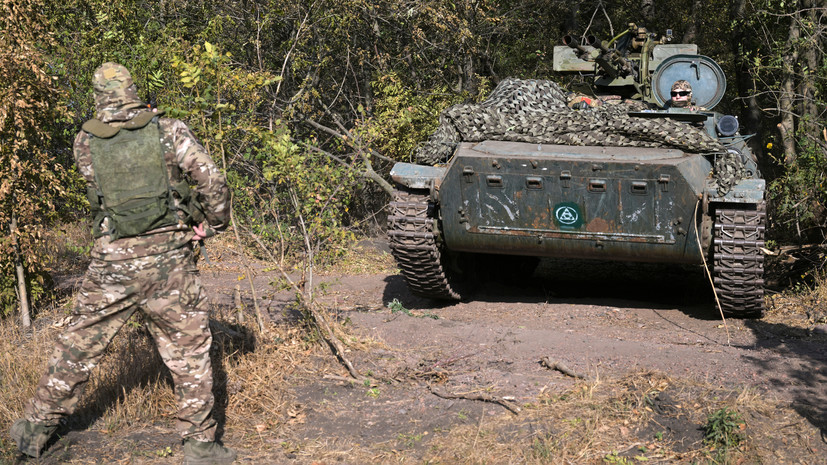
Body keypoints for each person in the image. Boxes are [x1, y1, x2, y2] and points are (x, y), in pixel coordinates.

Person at [9, 62, 235, 464]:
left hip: (112, 264)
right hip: (169, 261)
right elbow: (212, 182)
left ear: (97, 96)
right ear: (134, 89)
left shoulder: (85, 142)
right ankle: (201, 448)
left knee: (78, 346)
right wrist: (210, 224)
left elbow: (102, 196)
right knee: (190, 352)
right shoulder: (169, 130)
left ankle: (32, 432)